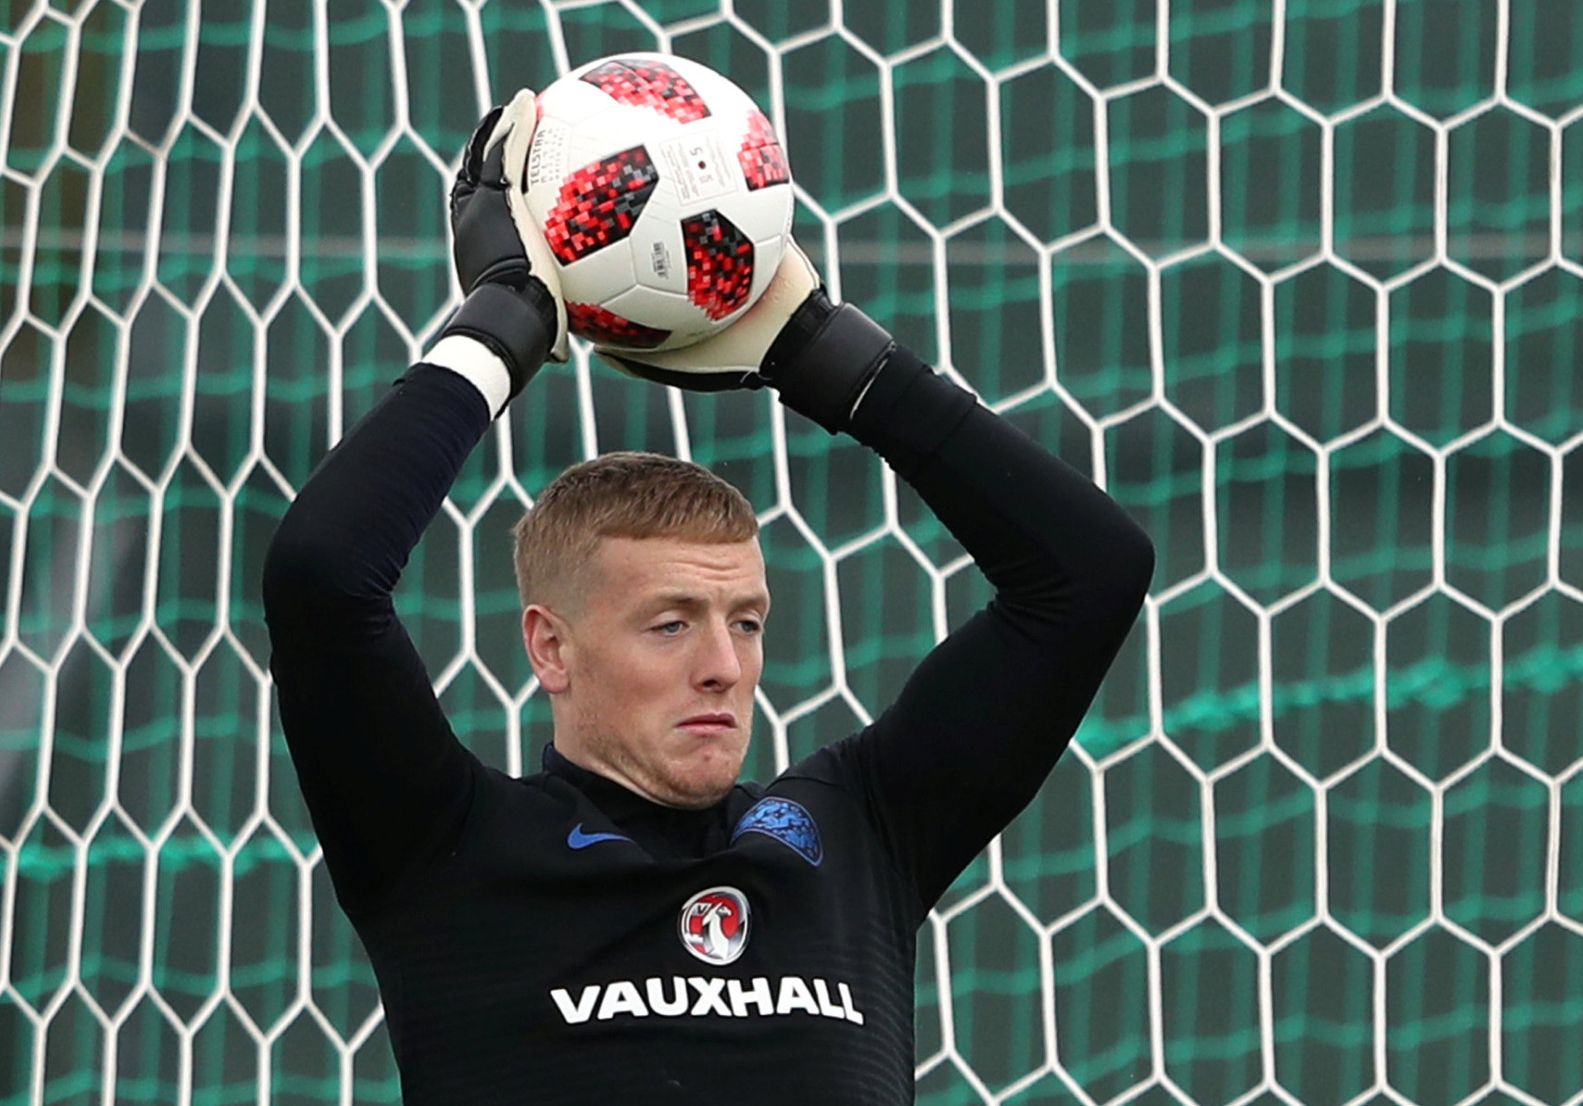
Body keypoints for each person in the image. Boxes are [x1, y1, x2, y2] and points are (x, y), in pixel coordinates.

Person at [261, 89, 1154, 1104]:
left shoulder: (861, 832)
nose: (723, 665)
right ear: (550, 649)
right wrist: (503, 317)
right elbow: (321, 575)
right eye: (671, 622)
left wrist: (820, 350)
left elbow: (1090, 572)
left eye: (745, 621)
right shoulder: (444, 846)